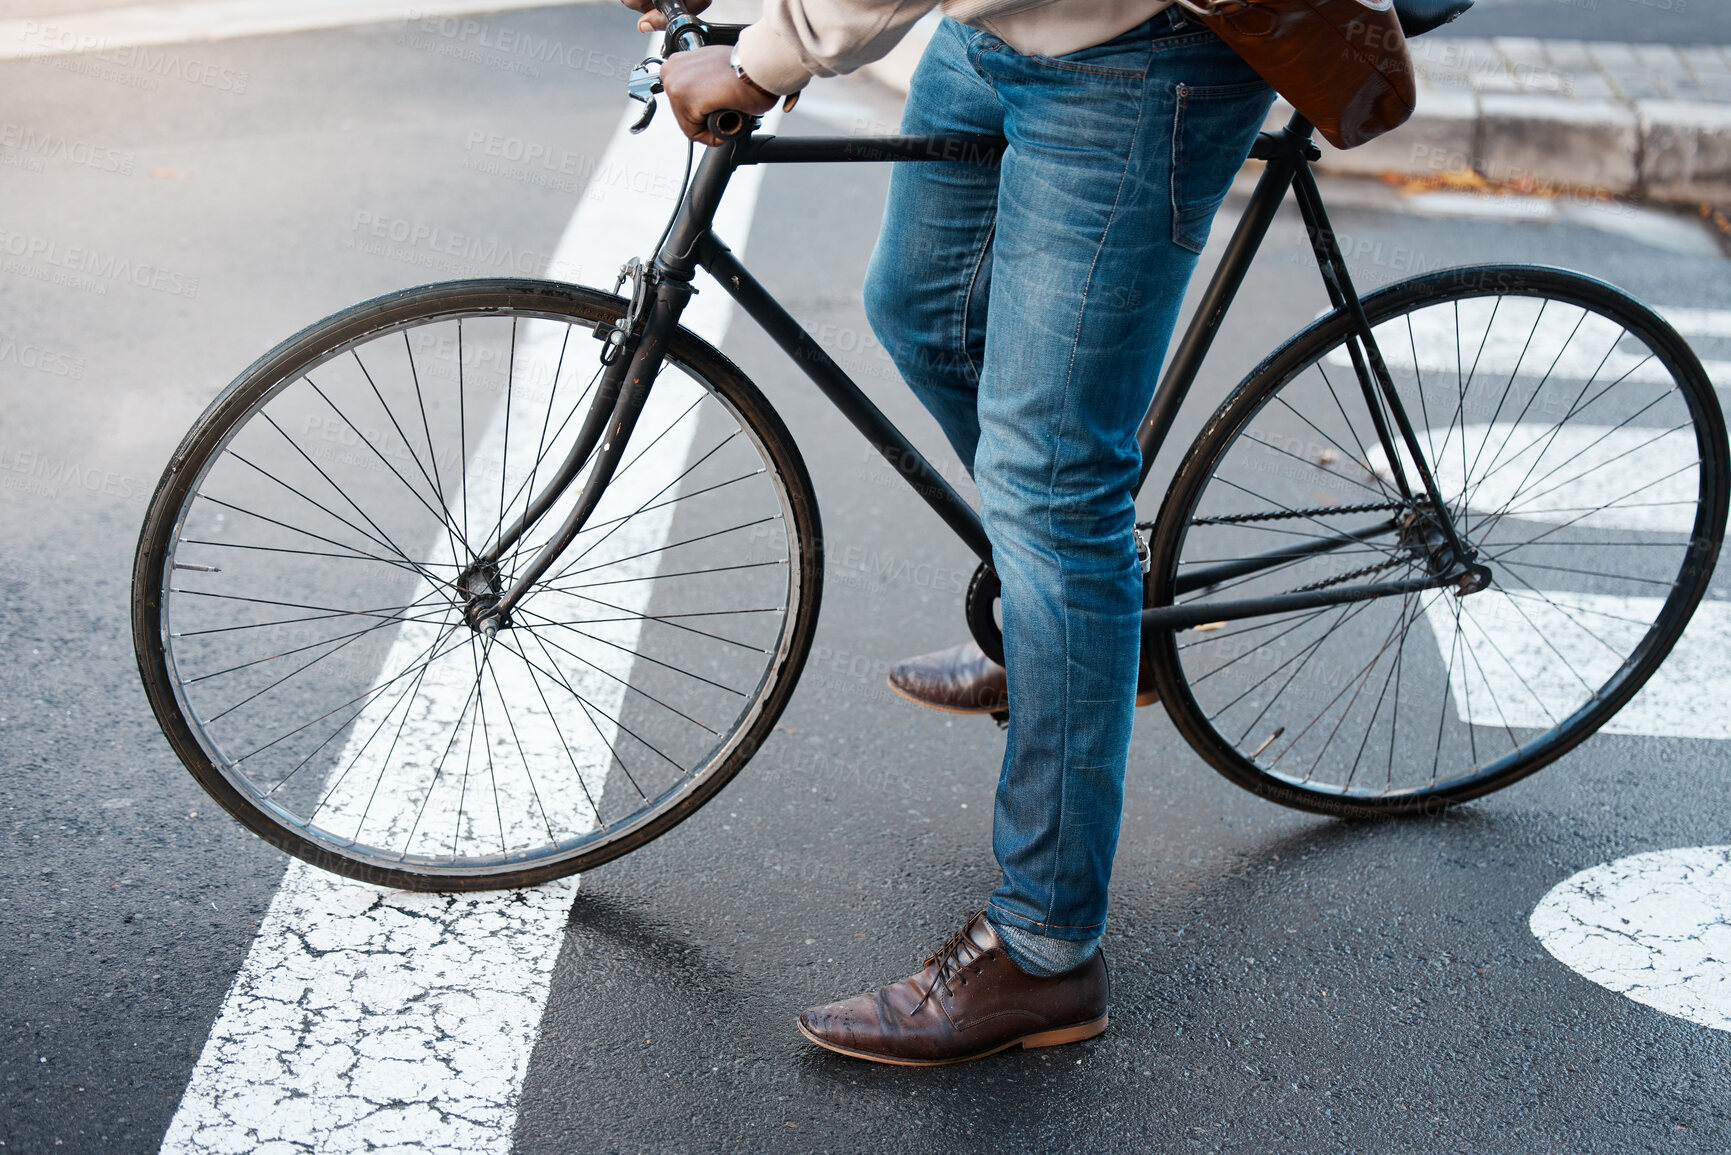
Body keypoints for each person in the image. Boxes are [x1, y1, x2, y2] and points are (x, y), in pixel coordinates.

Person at [623, 0, 1274, 1066]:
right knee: (922, 311)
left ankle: (1047, 949)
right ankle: (1094, 629)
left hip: (1147, 45)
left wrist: (762, 58)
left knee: (1052, 478)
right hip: (1000, 25)